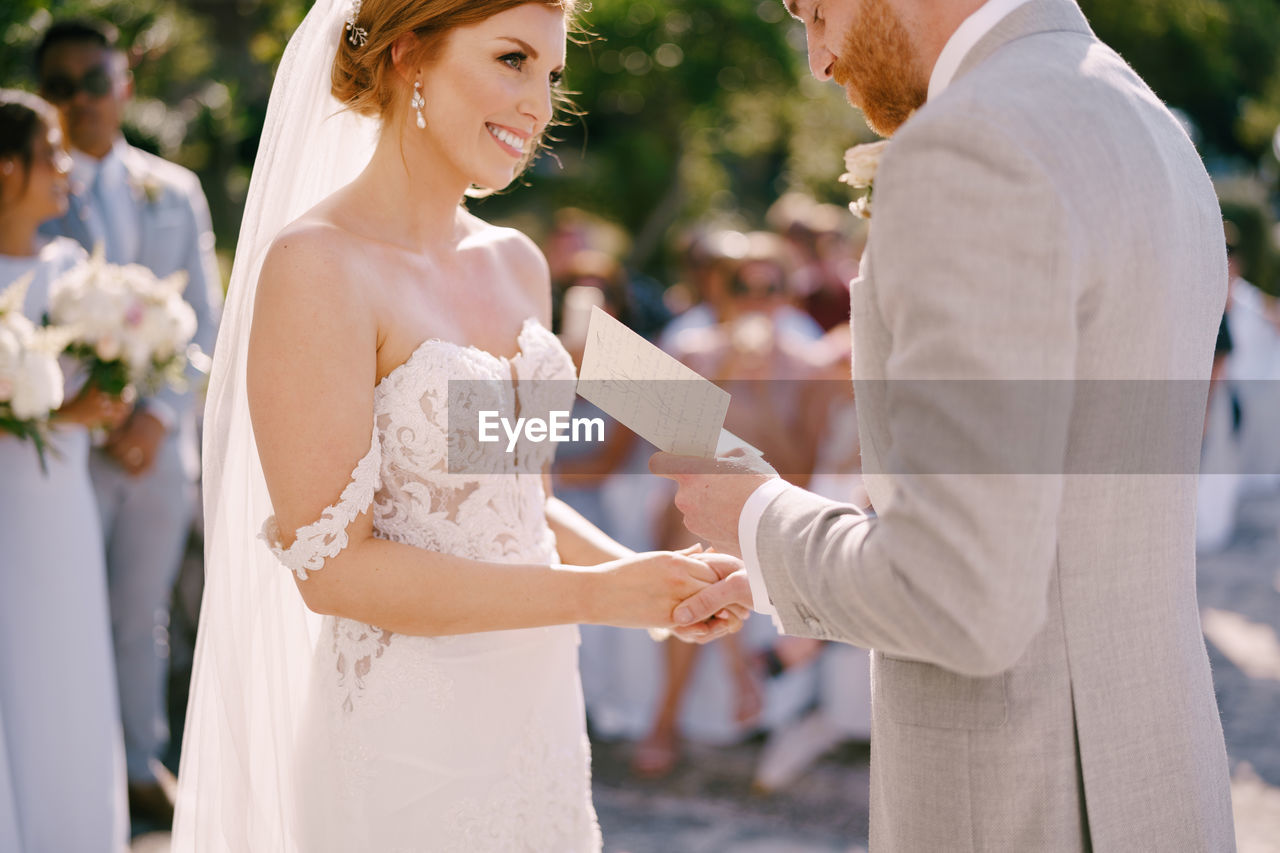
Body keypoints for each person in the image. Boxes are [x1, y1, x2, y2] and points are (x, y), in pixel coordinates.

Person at [652, 0, 1235, 850]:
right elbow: (1050, 518)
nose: (817, 60)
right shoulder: (1146, 123)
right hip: (1153, 783)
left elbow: (959, 598)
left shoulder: (973, 141)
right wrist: (787, 574)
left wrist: (757, 516)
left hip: (1021, 805)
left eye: (814, 11)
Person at [172, 1, 742, 850]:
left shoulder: (519, 262)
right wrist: (598, 596)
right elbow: (334, 570)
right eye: (511, 60)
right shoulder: (316, 267)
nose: (540, 105)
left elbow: (514, 503)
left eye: (550, 74)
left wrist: (654, 583)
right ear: (410, 55)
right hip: (408, 739)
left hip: (536, 709)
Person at [34, 18, 223, 827]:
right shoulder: (29, 183)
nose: (82, 100)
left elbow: (205, 323)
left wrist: (156, 416)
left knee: (142, 610)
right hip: (63, 441)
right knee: (63, 606)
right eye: (62, 86)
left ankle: (140, 760)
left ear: (126, 84)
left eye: (95, 80)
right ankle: (70, 761)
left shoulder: (173, 189)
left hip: (156, 447)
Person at [0, 88, 131, 853]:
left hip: (60, 508)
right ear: (5, 167)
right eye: (50, 151)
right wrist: (58, 413)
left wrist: (119, 383)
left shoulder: (75, 271)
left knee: (64, 661)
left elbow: (106, 380)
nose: (64, 167)